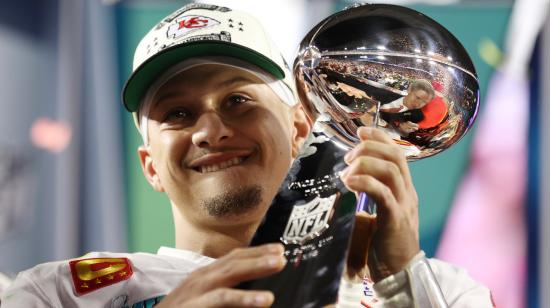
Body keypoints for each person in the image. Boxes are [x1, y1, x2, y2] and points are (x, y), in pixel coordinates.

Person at [0, 4, 493, 307]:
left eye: (238, 100)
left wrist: (401, 280)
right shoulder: (61, 294)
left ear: (300, 127)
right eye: (176, 113)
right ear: (151, 165)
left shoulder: (443, 291)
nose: (210, 131)